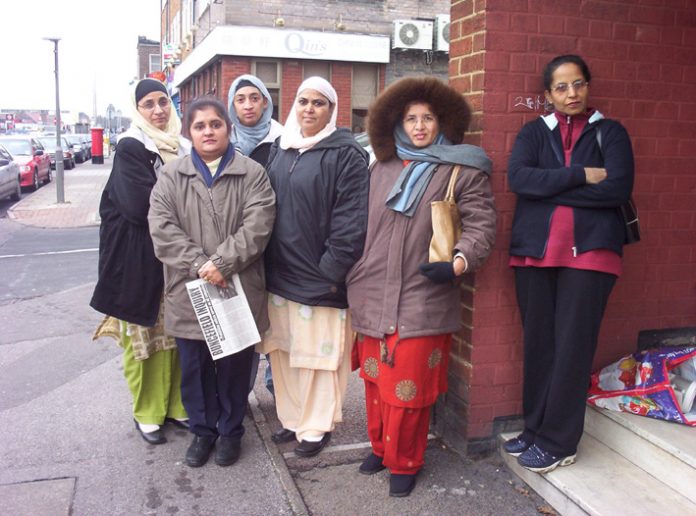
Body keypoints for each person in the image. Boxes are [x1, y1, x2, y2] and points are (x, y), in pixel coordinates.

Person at [346, 76, 497, 497]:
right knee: (375, 381)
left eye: (427, 118)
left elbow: (482, 224)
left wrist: (458, 261)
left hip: (424, 294)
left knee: (408, 389)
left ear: (442, 122)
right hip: (372, 292)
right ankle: (380, 448)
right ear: (397, 122)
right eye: (410, 118)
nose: (418, 126)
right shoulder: (381, 167)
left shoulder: (463, 169)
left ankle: (406, 461)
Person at [504, 55, 635, 474]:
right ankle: (536, 426)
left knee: (572, 347)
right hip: (534, 254)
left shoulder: (610, 133)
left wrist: (550, 187)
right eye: (561, 87)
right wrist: (580, 175)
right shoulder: (532, 133)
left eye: (578, 84)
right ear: (548, 94)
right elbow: (520, 180)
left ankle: (560, 441)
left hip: (592, 255)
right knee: (539, 343)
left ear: (587, 87)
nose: (571, 94)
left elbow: (616, 189)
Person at [148, 96, 276, 468]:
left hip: (236, 289)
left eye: (215, 124)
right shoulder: (171, 176)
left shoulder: (252, 173)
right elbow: (162, 229)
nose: (208, 131)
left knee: (235, 370)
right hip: (190, 292)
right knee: (195, 370)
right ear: (188, 132)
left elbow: (259, 224)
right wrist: (202, 264)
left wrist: (222, 263)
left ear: (228, 127)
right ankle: (203, 432)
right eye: (200, 125)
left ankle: (231, 432)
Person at [257, 76, 369, 458]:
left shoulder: (346, 153)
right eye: (303, 101)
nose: (309, 109)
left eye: (319, 103)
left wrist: (330, 270)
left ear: (332, 110)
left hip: (320, 279)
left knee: (320, 359)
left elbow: (352, 219)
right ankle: (292, 420)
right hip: (279, 275)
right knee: (284, 354)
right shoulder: (281, 148)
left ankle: (316, 427)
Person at [90, 78, 190, 445]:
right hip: (138, 263)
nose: (158, 110)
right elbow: (137, 206)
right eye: (148, 104)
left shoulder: (183, 145)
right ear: (138, 111)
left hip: (175, 261)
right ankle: (148, 412)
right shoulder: (133, 146)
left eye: (163, 102)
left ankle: (177, 405)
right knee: (144, 340)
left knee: (179, 337)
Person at [227, 74, 284, 396]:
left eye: (254, 97)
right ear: (232, 105)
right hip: (238, 248)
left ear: (265, 101)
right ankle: (240, 393)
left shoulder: (283, 139)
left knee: (277, 323)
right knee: (242, 325)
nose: (248, 105)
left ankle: (278, 388)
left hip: (276, 246)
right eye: (240, 99)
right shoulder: (224, 141)